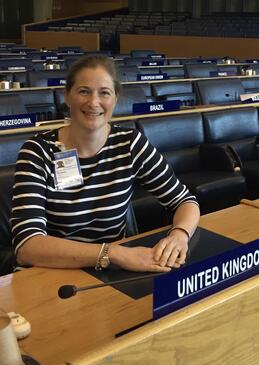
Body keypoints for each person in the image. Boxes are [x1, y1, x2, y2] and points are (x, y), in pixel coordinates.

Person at [11, 55, 200, 273]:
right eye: (83, 91)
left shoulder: (130, 144)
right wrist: (112, 253)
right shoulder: (37, 151)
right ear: (67, 96)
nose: (93, 102)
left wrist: (180, 235)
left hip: (111, 271)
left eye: (104, 92)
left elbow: (184, 200)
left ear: (115, 99)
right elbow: (27, 246)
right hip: (50, 271)